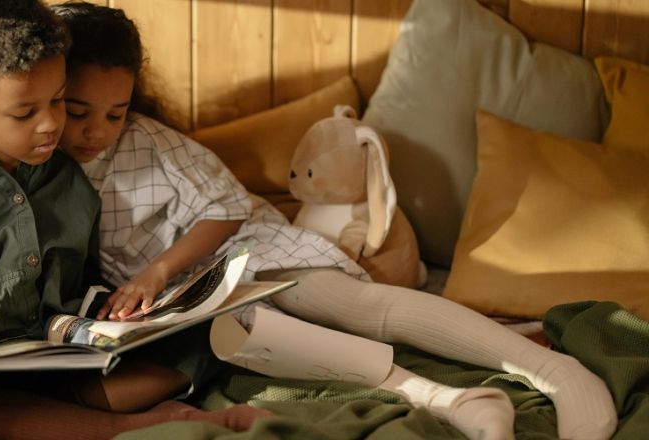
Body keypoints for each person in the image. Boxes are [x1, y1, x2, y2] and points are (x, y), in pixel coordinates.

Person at [52, 3, 619, 440]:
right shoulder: (42, 164)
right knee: (280, 343)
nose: (98, 131)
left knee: (354, 310)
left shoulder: (147, 141)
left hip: (247, 249)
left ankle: (552, 370)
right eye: (78, 113)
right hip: (193, 303)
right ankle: (459, 402)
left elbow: (225, 209)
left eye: (115, 112)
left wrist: (155, 272)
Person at [0, 2, 269, 439]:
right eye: (24, 113)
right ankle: (132, 424)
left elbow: (82, 282)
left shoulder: (70, 181)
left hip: (62, 364)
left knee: (209, 337)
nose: (51, 123)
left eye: (58, 100)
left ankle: (37, 420)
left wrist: (117, 316)